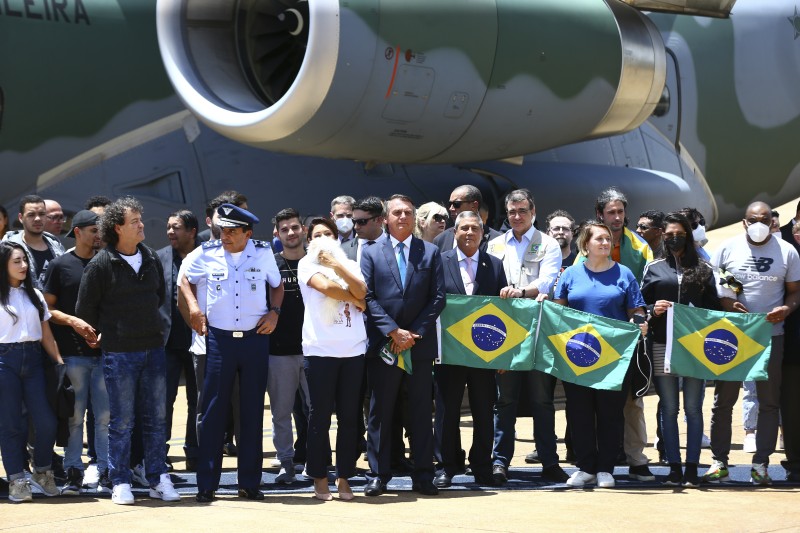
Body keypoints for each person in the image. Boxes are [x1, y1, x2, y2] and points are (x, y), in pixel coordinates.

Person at [75, 196, 180, 505]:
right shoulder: (100, 265)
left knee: (156, 420)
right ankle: (120, 480)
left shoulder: (150, 257)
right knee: (121, 422)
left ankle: (157, 478)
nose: (141, 225)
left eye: (140, 219)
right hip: (119, 354)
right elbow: (85, 309)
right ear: (118, 228)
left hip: (153, 350)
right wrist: (109, 333)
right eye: (135, 221)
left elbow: (159, 296)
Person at [182, 203, 284, 502]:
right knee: (212, 411)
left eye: (231, 231)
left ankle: (249, 483)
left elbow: (277, 285)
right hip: (219, 340)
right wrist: (193, 308)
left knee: (251, 411)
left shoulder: (263, 253)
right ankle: (207, 484)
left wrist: (275, 312)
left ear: (247, 234)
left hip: (254, 339)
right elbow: (184, 279)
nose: (224, 236)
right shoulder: (206, 253)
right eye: (222, 230)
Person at [542, 222, 648, 488]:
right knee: (579, 412)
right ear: (585, 244)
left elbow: (637, 310)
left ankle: (606, 469)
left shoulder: (624, 274)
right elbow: (558, 311)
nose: (605, 242)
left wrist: (640, 322)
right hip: (577, 356)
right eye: (599, 238)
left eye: (607, 239)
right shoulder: (570, 274)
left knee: (610, 413)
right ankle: (586, 467)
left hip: (614, 358)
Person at [705, 201, 800, 486]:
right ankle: (719, 461)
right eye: (753, 219)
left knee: (769, 403)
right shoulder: (728, 248)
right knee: (724, 402)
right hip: (732, 337)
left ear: (772, 222)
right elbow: (719, 284)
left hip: (771, 337)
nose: (759, 224)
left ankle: (761, 464)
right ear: (744, 222)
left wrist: (787, 309)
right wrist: (728, 302)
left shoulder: (787, 251)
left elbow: (794, 291)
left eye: (764, 219)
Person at [361, 194, 446, 497]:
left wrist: (413, 334)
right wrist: (393, 331)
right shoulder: (371, 252)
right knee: (381, 411)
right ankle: (378, 474)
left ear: (414, 218)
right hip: (385, 346)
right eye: (396, 213)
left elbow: (438, 297)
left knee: (421, 412)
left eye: (408, 212)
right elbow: (367, 296)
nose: (402, 217)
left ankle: (423, 475)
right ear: (385, 218)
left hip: (418, 347)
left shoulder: (430, 252)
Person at [487, 189, 567, 484]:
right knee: (504, 399)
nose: (517, 216)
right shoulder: (495, 244)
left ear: (533, 212)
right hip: (506, 331)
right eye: (512, 212)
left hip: (538, 330)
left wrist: (520, 292)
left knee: (541, 399)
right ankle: (500, 461)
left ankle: (549, 461)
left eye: (522, 211)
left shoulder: (548, 243)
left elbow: (547, 281)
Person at [640, 212, 723, 487]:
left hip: (694, 347)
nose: (674, 238)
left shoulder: (703, 268)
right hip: (662, 343)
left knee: (693, 408)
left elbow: (714, 308)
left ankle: (692, 468)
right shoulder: (653, 267)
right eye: (669, 234)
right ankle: (674, 467)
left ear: (687, 235)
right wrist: (653, 309)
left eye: (679, 234)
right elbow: (641, 305)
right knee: (668, 407)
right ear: (662, 236)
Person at [584, 187, 654, 482]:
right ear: (599, 214)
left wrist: (641, 321)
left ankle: (637, 459)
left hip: (629, 338)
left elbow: (647, 289)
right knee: (594, 403)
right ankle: (596, 462)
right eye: (611, 212)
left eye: (620, 212)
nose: (616, 217)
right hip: (593, 342)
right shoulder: (587, 245)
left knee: (632, 401)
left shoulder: (640, 247)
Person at [433, 211, 507, 488]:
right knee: (447, 411)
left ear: (482, 233)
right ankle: (447, 465)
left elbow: (503, 312)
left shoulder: (494, 265)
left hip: (483, 353)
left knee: (483, 411)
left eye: (474, 228)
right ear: (454, 232)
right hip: (449, 351)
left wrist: (502, 354)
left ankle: (482, 465)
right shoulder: (440, 262)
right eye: (463, 228)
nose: (469, 233)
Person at [298, 217, 368, 500]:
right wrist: (354, 298)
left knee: (350, 417)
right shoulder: (306, 264)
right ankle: (318, 476)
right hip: (320, 351)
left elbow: (362, 290)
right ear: (309, 240)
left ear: (337, 238)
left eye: (328, 234)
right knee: (320, 416)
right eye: (317, 235)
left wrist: (338, 266)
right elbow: (326, 288)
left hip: (353, 350)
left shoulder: (350, 265)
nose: (323, 239)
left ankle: (344, 477)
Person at [43, 210, 109, 495]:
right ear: (78, 232)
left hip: (104, 354)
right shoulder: (61, 265)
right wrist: (73, 321)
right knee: (74, 417)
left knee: (104, 418)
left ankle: (105, 470)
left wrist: (107, 331)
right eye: (93, 230)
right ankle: (73, 471)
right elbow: (47, 309)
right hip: (72, 354)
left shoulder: (106, 262)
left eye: (100, 231)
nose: (98, 236)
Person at [0, 241, 63, 502]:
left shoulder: (35, 294)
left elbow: (46, 335)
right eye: (17, 261)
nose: (24, 265)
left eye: (25, 260)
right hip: (4, 361)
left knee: (47, 421)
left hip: (35, 360)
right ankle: (17, 480)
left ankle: (42, 472)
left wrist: (60, 364)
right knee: (11, 424)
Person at [268, 208, 311, 484]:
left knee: (316, 410)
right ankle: (286, 463)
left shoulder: (316, 263)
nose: (291, 233)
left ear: (303, 230)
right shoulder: (271, 265)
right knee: (281, 412)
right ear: (277, 234)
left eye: (295, 227)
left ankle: (316, 461)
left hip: (315, 350)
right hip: (279, 350)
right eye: (285, 229)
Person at [157, 210, 200, 471]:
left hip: (200, 341)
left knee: (198, 400)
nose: (170, 232)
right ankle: (160, 453)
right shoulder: (158, 257)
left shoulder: (206, 256)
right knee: (163, 401)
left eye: (177, 227)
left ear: (192, 231)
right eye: (169, 227)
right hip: (167, 345)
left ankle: (195, 452)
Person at [3, 195, 65, 289]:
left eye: (41, 214)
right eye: (31, 215)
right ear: (20, 218)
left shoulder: (55, 244)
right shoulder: (9, 247)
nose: (37, 219)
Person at [434, 185, 502, 252]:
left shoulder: (498, 240)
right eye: (450, 204)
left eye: (456, 204)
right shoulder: (441, 240)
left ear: (474, 206)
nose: (451, 208)